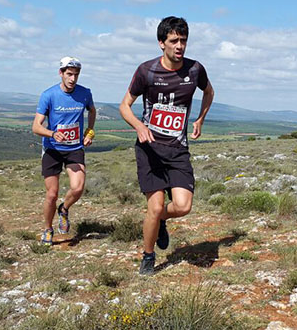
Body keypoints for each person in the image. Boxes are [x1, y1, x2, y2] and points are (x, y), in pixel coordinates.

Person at [119, 16, 215, 275]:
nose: (180, 46)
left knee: (183, 206)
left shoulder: (195, 70)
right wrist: (139, 127)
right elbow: (124, 106)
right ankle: (148, 256)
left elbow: (209, 92)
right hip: (150, 149)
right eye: (174, 41)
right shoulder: (146, 71)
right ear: (161, 43)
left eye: (183, 40)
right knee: (155, 204)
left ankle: (160, 220)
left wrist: (200, 119)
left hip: (177, 149)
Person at [32, 56, 96, 245]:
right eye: (69, 74)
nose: (72, 79)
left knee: (77, 187)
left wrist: (90, 131)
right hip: (52, 148)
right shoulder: (48, 95)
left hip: (75, 147)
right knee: (52, 194)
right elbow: (36, 127)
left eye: (76, 75)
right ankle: (47, 229)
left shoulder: (85, 93)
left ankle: (64, 209)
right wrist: (52, 134)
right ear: (60, 73)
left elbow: (92, 111)